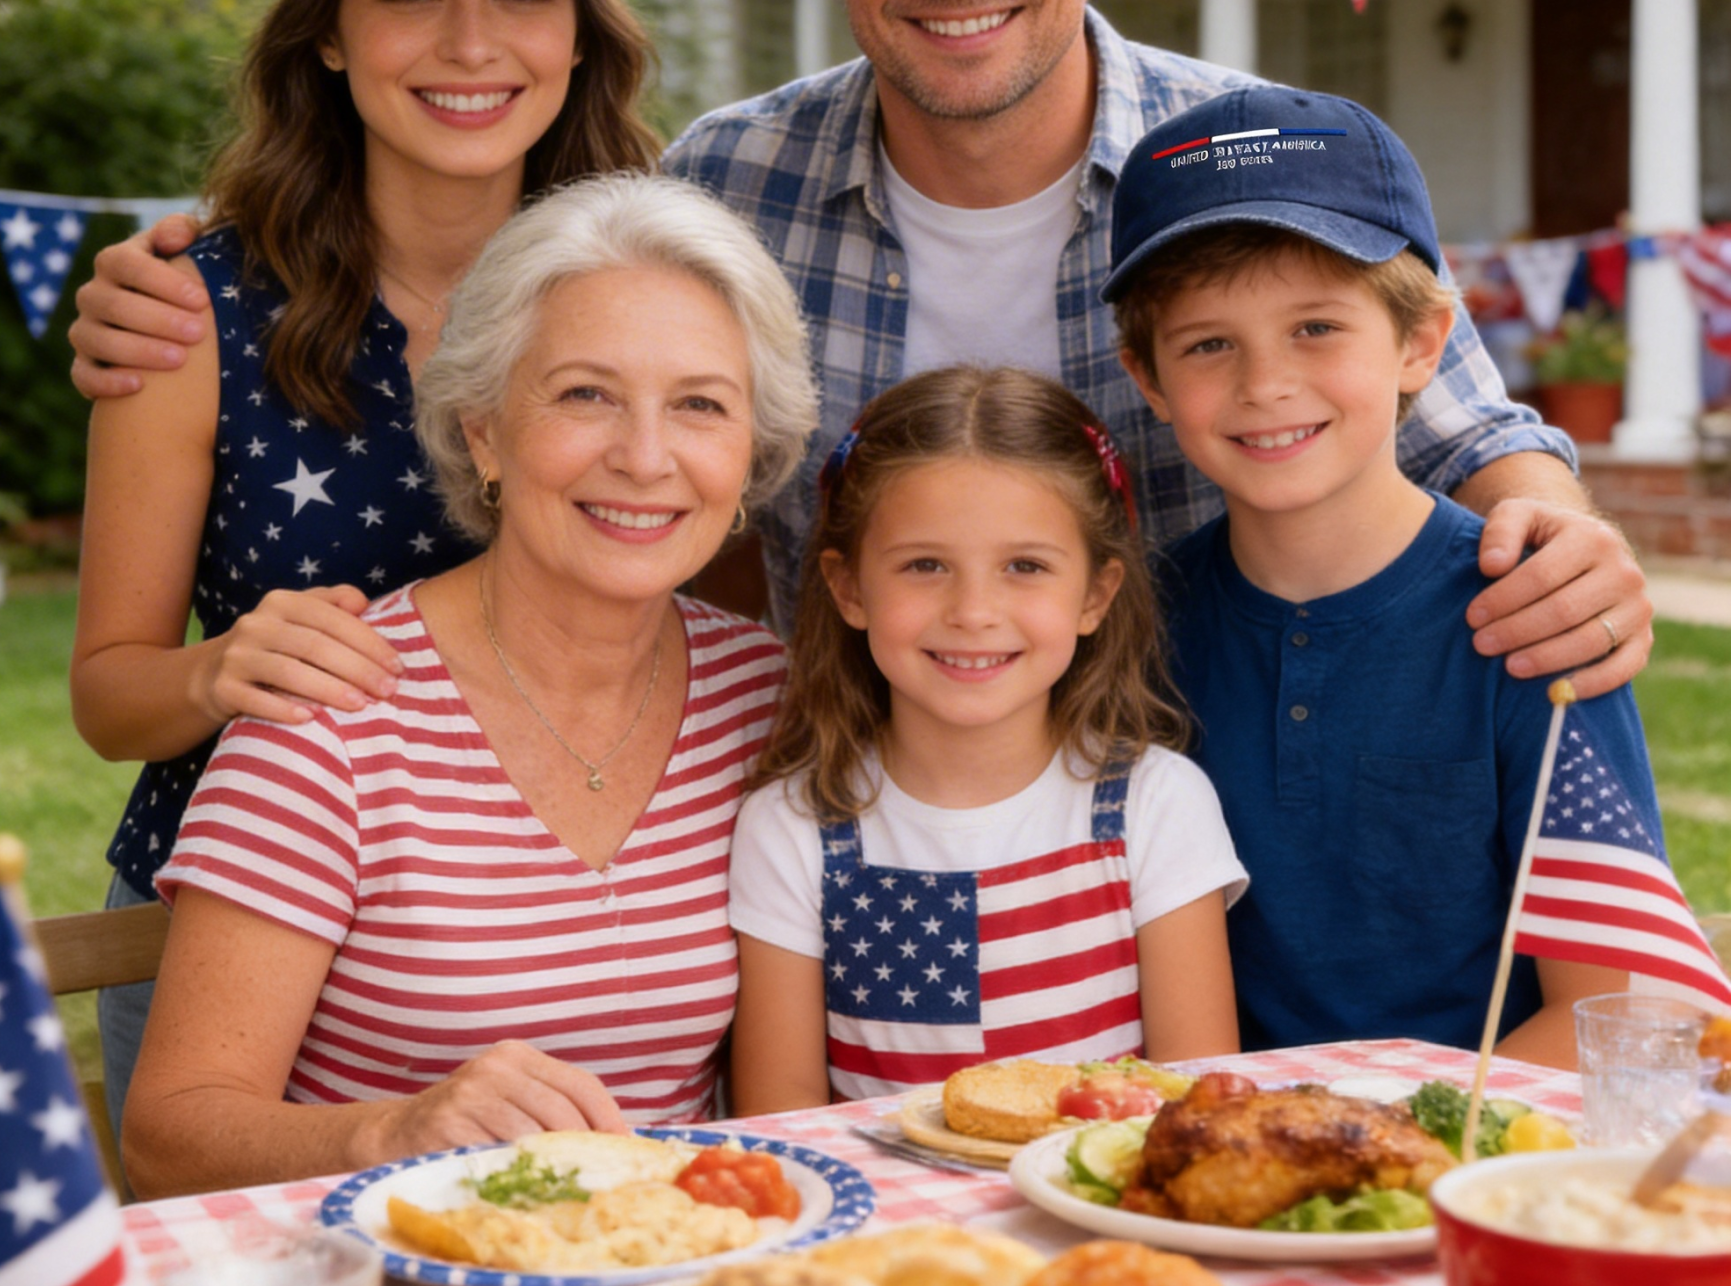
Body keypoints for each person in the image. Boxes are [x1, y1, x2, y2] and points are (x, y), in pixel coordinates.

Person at [65, 0, 1655, 695]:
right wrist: (218, 252)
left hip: (1208, 803)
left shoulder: (1260, 161)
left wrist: (1552, 524)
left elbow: (1462, 428)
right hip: (831, 839)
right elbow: (508, 239)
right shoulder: (728, 180)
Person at [68, 0, 664, 1137]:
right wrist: (220, 672)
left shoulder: (648, 290)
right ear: (325, 32)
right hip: (234, 941)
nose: (471, 43)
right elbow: (109, 700)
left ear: (582, 31)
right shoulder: (189, 309)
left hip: (565, 941)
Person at [119, 175, 819, 1198]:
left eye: (702, 406)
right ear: (484, 428)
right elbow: (168, 1136)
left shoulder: (768, 699)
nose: (646, 456)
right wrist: (395, 1133)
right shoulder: (333, 709)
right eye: (586, 394)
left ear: (751, 450)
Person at [1104, 83, 1649, 1068]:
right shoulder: (1139, 631)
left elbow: (1606, 1006)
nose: (1265, 383)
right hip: (1209, 1159)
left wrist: (1387, 1155)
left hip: (1477, 1158)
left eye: (1316, 328)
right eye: (1208, 344)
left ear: (1421, 343)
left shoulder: (1532, 613)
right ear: (1147, 377)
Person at [728, 366, 1245, 1114]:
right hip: (890, 1228)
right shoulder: (792, 828)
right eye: (925, 565)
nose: (974, 611)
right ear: (848, 588)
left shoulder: (1156, 803)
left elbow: (1196, 1108)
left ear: (1096, 595)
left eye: (1025, 567)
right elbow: (786, 1127)